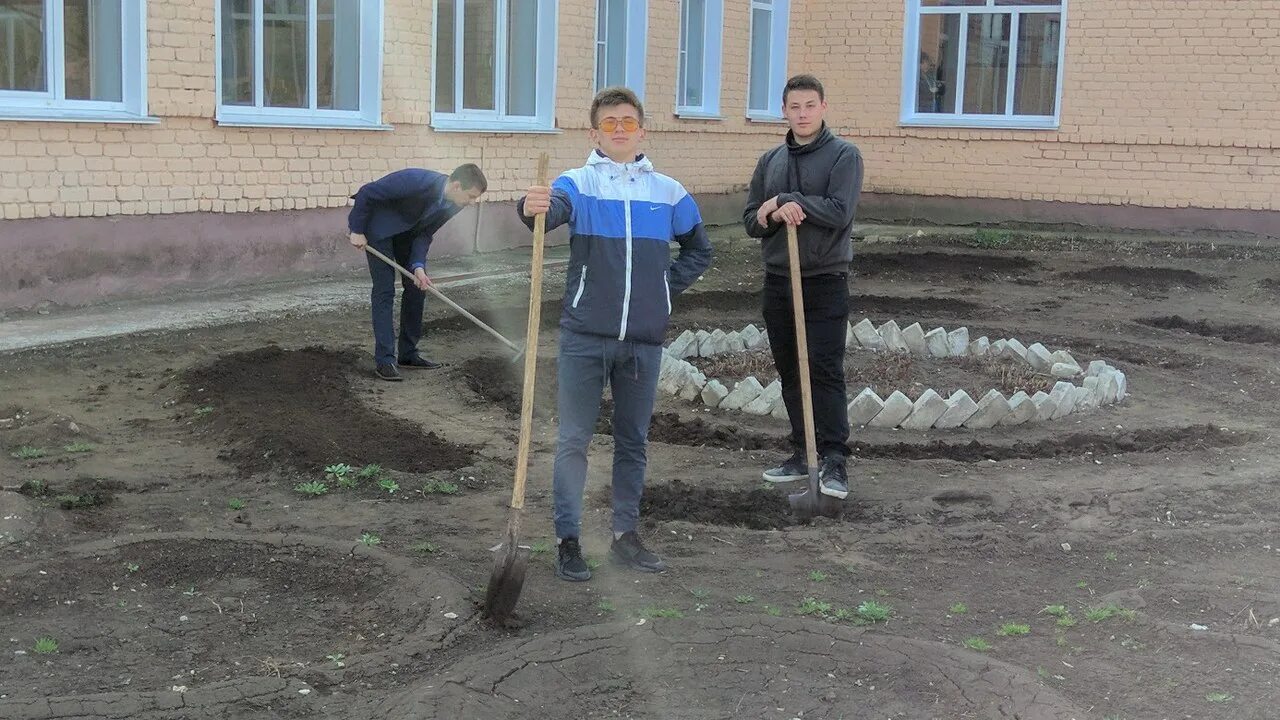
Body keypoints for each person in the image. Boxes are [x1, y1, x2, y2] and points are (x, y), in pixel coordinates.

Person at [518, 87, 713, 582]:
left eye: (628, 121)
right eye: (609, 123)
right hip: (585, 336)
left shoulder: (668, 192)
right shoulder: (577, 184)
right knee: (574, 440)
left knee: (633, 441)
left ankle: (625, 537)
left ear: (643, 131)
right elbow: (551, 210)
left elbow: (698, 250)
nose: (620, 129)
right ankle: (568, 540)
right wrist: (531, 206)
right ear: (594, 133)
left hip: (642, 342)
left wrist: (660, 290)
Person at [743, 74, 865, 500]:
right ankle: (802, 451)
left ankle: (833, 459)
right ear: (784, 111)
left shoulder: (843, 156)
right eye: (795, 107)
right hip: (779, 280)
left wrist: (789, 200)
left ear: (823, 107)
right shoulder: (769, 161)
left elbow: (838, 210)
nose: (802, 114)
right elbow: (749, 221)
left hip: (825, 280)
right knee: (791, 370)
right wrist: (772, 211)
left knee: (824, 369)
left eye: (810, 106)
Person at [347, 165, 487, 380]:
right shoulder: (415, 181)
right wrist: (357, 229)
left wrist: (418, 266)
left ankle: (408, 354)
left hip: (408, 235)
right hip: (380, 231)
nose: (471, 203)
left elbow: (425, 232)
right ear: (457, 185)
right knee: (384, 291)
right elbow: (367, 192)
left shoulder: (455, 203)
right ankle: (385, 360)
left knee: (417, 287)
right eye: (470, 197)